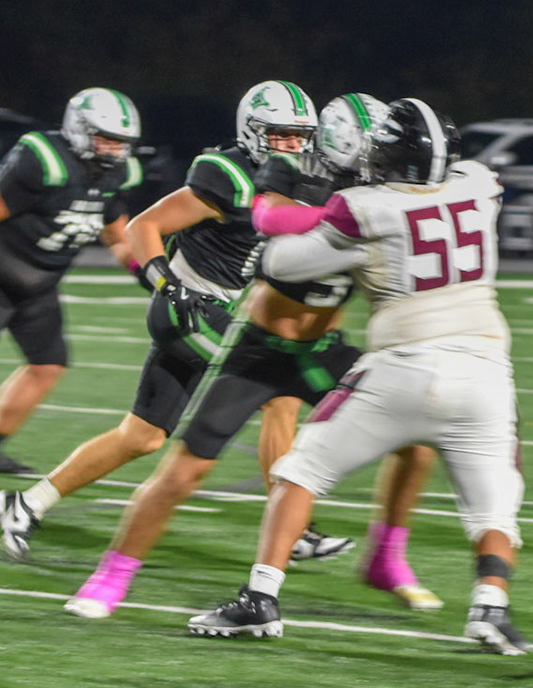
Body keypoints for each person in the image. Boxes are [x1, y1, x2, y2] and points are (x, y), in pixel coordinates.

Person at [62, 96, 441, 619]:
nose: (386, 162)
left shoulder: (376, 194)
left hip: (323, 349)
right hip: (261, 349)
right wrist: (343, 217)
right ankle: (110, 577)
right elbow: (272, 214)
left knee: (416, 440)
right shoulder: (287, 172)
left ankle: (385, 556)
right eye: (379, 151)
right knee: (183, 472)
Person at [186, 98, 528, 652]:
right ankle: (492, 606)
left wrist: (286, 206)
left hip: (402, 368)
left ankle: (260, 599)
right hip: (486, 370)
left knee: (299, 472)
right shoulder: (479, 183)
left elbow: (278, 259)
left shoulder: (365, 207)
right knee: (495, 506)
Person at [1, 81, 350, 563]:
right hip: (186, 309)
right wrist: (165, 283)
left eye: (299, 136)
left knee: (141, 436)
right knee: (279, 392)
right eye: (280, 135)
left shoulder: (294, 179)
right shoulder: (229, 175)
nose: (291, 146)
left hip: (220, 312)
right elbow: (143, 225)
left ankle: (26, 503)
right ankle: (292, 528)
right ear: (252, 132)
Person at [0, 87, 144, 471]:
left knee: (47, 366)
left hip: (40, 286)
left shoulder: (117, 175)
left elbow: (117, 236)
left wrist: (147, 272)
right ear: (79, 129)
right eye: (106, 139)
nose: (114, 150)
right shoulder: (45, 160)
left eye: (121, 142)